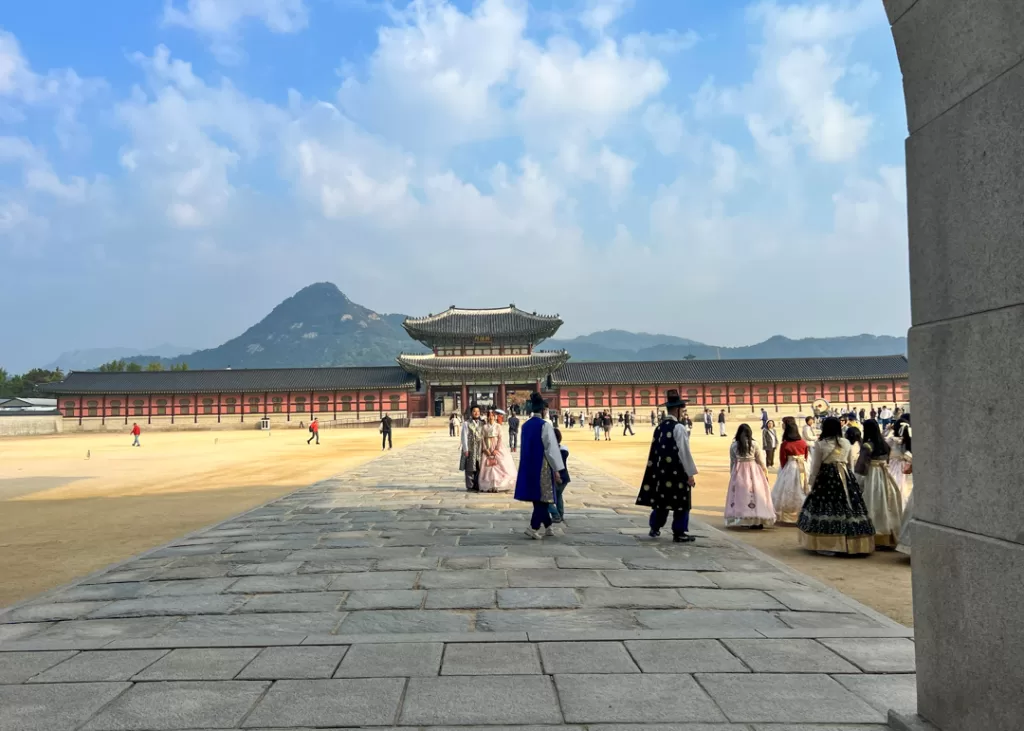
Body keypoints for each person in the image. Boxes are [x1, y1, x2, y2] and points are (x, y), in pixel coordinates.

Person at [797, 417, 875, 555]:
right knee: (848, 506)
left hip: (826, 477)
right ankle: (850, 542)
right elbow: (850, 463)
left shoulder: (821, 444)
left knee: (826, 507)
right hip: (845, 476)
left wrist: (812, 483)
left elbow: (815, 466)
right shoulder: (846, 443)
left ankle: (828, 543)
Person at [636, 390, 698, 543]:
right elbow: (684, 452)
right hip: (677, 472)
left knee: (662, 501)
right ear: (677, 410)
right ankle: (679, 532)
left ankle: (655, 527)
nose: (683, 413)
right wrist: (690, 473)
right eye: (682, 410)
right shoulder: (679, 428)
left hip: (661, 472)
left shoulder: (659, 428)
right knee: (681, 503)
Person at [514, 393, 568, 539]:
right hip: (542, 465)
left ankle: (548, 525)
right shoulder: (545, 425)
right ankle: (534, 527)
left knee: (537, 497)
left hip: (528, 464)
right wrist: (557, 469)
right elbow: (551, 448)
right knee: (544, 497)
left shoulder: (525, 426)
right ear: (543, 410)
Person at [854, 419, 905, 549]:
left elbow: (861, 467)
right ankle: (888, 535)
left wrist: (857, 481)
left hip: (871, 475)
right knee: (886, 504)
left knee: (872, 504)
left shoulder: (867, 446)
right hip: (884, 474)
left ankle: (873, 535)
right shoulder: (884, 444)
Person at [724, 424, 776, 529]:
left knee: (741, 495)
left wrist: (732, 474)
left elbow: (733, 461)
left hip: (739, 471)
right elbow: (761, 460)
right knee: (756, 494)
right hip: (753, 471)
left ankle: (743, 518)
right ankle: (757, 519)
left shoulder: (734, 445)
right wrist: (765, 472)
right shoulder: (754, 444)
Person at [772, 417, 810, 524]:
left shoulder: (785, 444)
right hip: (803, 465)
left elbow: (782, 459)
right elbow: (806, 455)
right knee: (803, 487)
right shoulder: (803, 442)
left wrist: (783, 469)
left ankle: (786, 515)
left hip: (790, 465)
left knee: (787, 489)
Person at [479, 409, 516, 492]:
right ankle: (489, 485)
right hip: (488, 447)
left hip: (496, 446)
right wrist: (485, 449)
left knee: (500, 465)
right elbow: (482, 439)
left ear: (495, 417)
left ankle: (499, 485)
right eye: (489, 415)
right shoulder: (484, 427)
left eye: (492, 415)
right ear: (487, 417)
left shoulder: (498, 426)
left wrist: (497, 449)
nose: (491, 417)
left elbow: (500, 438)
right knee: (488, 466)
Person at [548, 428, 570, 525]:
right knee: (558, 496)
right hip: (565, 476)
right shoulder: (564, 449)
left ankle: (556, 515)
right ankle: (560, 514)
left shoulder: (553, 451)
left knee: (546, 499)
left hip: (558, 477)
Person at [461, 405, 485, 492]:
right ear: (471, 413)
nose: (476, 413)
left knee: (479, 466)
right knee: (470, 467)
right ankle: (470, 486)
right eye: (474, 411)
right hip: (470, 447)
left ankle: (477, 484)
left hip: (480, 447)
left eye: (478, 411)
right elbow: (464, 437)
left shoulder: (482, 423)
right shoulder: (466, 423)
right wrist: (465, 449)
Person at [886, 415, 912, 493]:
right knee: (901, 487)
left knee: (892, 486)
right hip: (903, 467)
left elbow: (883, 443)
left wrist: (888, 430)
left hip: (892, 465)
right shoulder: (908, 441)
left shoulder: (891, 440)